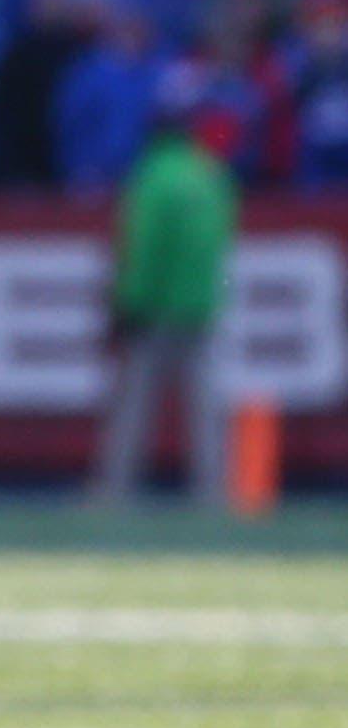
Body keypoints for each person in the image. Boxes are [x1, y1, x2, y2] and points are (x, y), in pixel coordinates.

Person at [90, 70, 240, 504]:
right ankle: (216, 493)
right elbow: (219, 245)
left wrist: (127, 305)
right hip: (201, 306)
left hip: (155, 311)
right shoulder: (212, 175)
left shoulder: (153, 177)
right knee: (206, 409)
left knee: (134, 408)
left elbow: (143, 250)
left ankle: (114, 491)